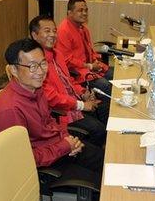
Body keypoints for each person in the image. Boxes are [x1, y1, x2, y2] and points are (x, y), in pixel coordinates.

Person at [0, 39, 103, 182]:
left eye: (43, 63)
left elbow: (50, 122)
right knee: (100, 185)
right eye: (32, 66)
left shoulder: (36, 88)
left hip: (59, 147)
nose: (41, 71)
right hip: (42, 166)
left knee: (104, 159)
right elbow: (21, 159)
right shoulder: (9, 110)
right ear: (13, 70)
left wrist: (68, 139)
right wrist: (64, 147)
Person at [29, 15, 108, 146]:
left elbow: (68, 80)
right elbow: (49, 97)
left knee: (104, 108)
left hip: (73, 101)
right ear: (34, 35)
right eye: (47, 31)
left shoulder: (57, 54)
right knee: (99, 129)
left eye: (54, 31)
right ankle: (85, 153)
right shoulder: (36, 62)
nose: (53, 35)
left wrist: (83, 92)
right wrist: (81, 104)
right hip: (59, 112)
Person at [55, 0, 113, 100]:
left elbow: (89, 51)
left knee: (116, 75)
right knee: (106, 86)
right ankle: (105, 115)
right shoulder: (64, 31)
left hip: (91, 69)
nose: (84, 13)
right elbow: (66, 61)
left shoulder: (83, 28)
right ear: (70, 13)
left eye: (86, 10)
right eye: (80, 10)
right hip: (77, 75)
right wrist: (90, 66)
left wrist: (95, 60)